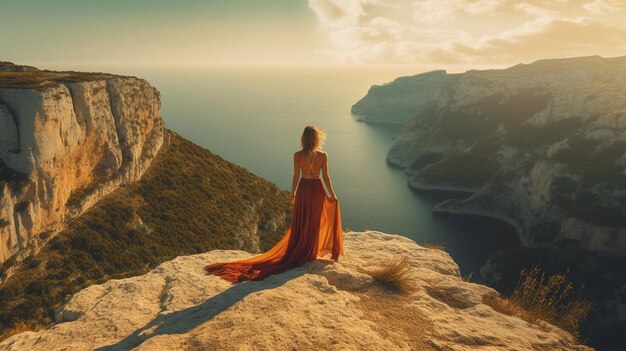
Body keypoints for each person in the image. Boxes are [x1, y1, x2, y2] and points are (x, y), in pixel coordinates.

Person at [204, 125, 343, 283]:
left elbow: (296, 176)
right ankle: (309, 252)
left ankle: (302, 251)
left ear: (303, 139)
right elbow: (326, 177)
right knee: (314, 221)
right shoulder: (323, 155)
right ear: (317, 138)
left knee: (302, 220)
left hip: (304, 189)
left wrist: (293, 193)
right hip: (317, 190)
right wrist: (332, 194)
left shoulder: (297, 155)